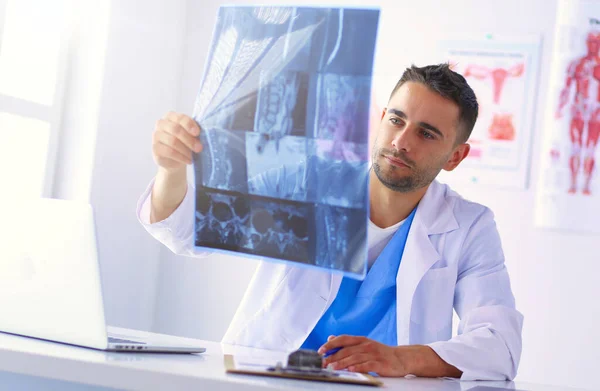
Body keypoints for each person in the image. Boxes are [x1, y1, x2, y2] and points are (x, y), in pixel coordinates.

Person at [137, 64, 523, 380]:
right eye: (396, 120)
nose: (402, 142)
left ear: (455, 156)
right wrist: (172, 170)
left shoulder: (469, 226)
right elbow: (188, 230)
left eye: (426, 133)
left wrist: (403, 359)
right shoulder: (307, 183)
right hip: (269, 378)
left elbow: (499, 344)